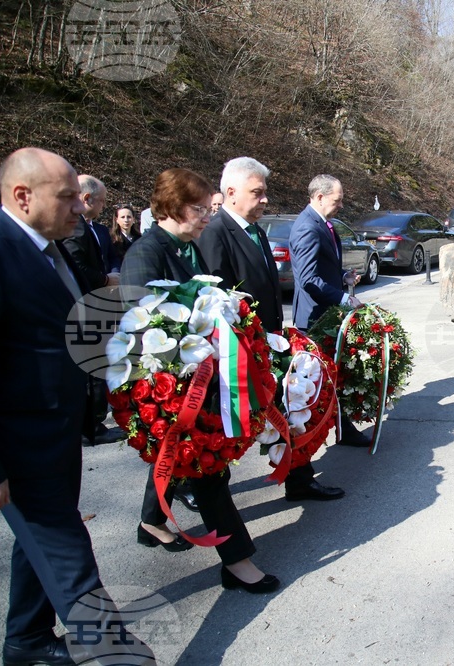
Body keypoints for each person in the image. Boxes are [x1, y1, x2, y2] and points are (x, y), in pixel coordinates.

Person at [0, 147, 154, 665]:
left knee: (38, 543)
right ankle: (117, 655)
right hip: (19, 443)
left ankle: (27, 640)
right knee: (65, 550)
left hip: (56, 431)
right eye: (67, 198)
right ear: (22, 196)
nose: (81, 208)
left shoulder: (51, 248)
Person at [121, 167, 278, 593]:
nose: (208, 216)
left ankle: (151, 521)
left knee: (179, 458)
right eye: (200, 209)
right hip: (174, 383)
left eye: (209, 208)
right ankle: (237, 561)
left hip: (205, 374)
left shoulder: (189, 247)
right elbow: (141, 322)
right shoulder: (145, 251)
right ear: (173, 207)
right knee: (206, 468)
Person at [198, 158, 346, 502]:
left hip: (268, 341)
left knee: (286, 411)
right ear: (231, 192)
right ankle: (169, 501)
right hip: (239, 348)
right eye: (257, 192)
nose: (265, 199)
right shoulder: (216, 233)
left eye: (264, 192)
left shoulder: (255, 230)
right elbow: (219, 296)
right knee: (220, 426)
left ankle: (299, 480)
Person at [290, 175, 374, 449]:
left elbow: (321, 268)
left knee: (331, 378)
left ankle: (342, 429)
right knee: (316, 383)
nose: (341, 205)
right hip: (313, 318)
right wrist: (343, 297)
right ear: (319, 197)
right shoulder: (307, 227)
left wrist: (342, 276)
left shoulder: (322, 224)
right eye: (337, 200)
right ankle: (306, 440)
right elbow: (308, 279)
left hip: (325, 314)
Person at [62, 175, 119, 447]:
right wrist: (106, 279)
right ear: (87, 199)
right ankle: (92, 427)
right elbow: (76, 266)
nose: (104, 206)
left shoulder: (88, 227)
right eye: (102, 201)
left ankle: (93, 424)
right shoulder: (77, 228)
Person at [108, 204, 141, 271]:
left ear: (133, 219)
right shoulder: (111, 239)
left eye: (129, 217)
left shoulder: (139, 238)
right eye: (122, 217)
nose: (126, 220)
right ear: (117, 220)